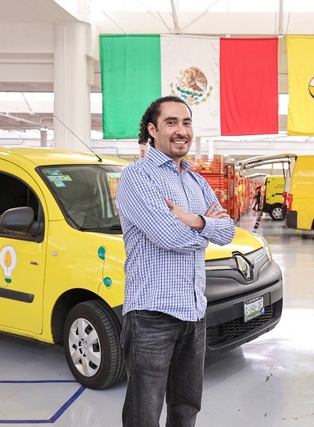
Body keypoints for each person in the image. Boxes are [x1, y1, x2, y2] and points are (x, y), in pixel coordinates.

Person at [116, 95, 235, 427]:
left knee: (186, 408)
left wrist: (193, 220)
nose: (181, 130)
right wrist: (205, 230)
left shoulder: (197, 181)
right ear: (152, 130)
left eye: (186, 122)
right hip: (152, 316)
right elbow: (168, 236)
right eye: (171, 122)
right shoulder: (138, 177)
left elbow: (228, 231)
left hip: (194, 313)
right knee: (143, 415)